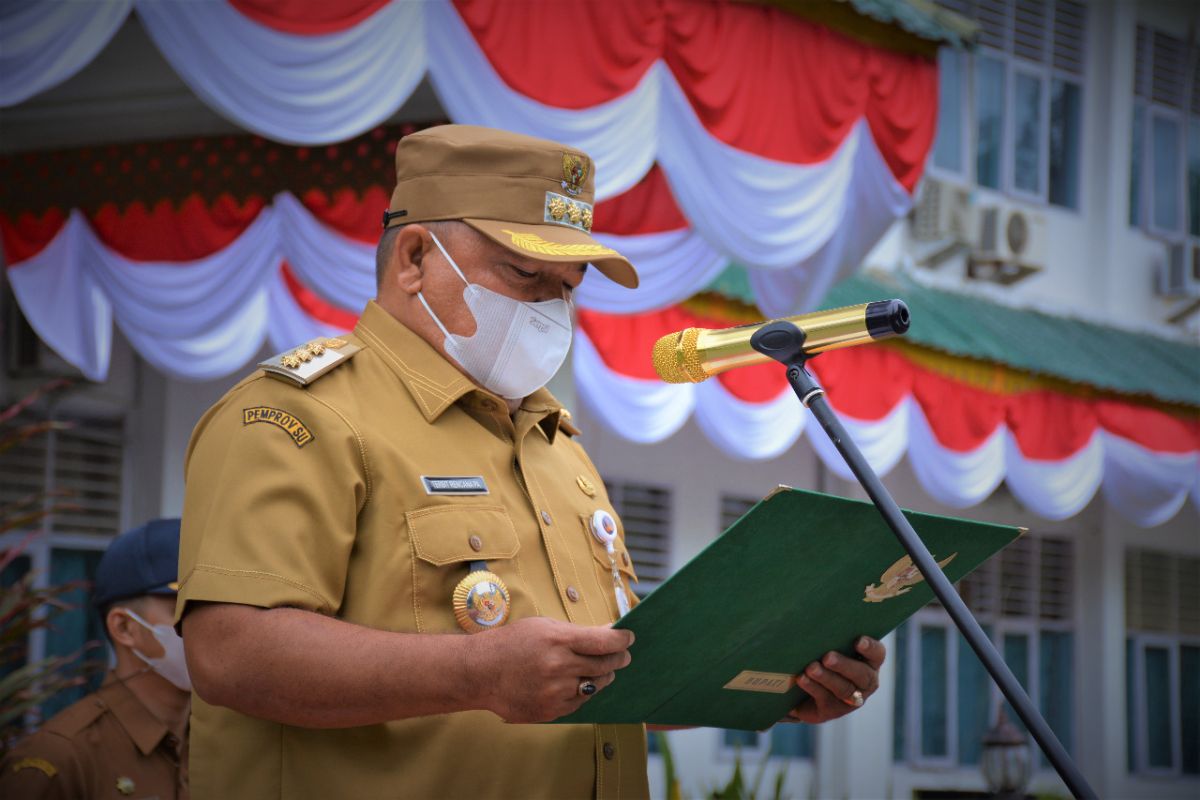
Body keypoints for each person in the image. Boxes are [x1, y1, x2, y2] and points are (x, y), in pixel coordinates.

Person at [177, 125, 885, 800]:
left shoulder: (553, 443)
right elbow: (231, 653)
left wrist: (765, 678)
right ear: (415, 259)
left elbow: (606, 678)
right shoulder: (303, 416)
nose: (550, 310)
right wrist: (474, 673)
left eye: (567, 288)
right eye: (523, 274)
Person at [0, 518, 190, 799]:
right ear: (125, 628)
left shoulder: (218, 745)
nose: (210, 628)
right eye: (184, 610)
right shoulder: (61, 758)